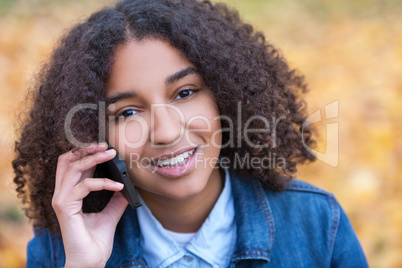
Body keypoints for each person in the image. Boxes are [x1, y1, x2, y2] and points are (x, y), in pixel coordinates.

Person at [12, 0, 369, 267]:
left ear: (226, 96)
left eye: (184, 93)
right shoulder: (60, 250)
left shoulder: (319, 224)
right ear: (93, 135)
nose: (166, 132)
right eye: (128, 112)